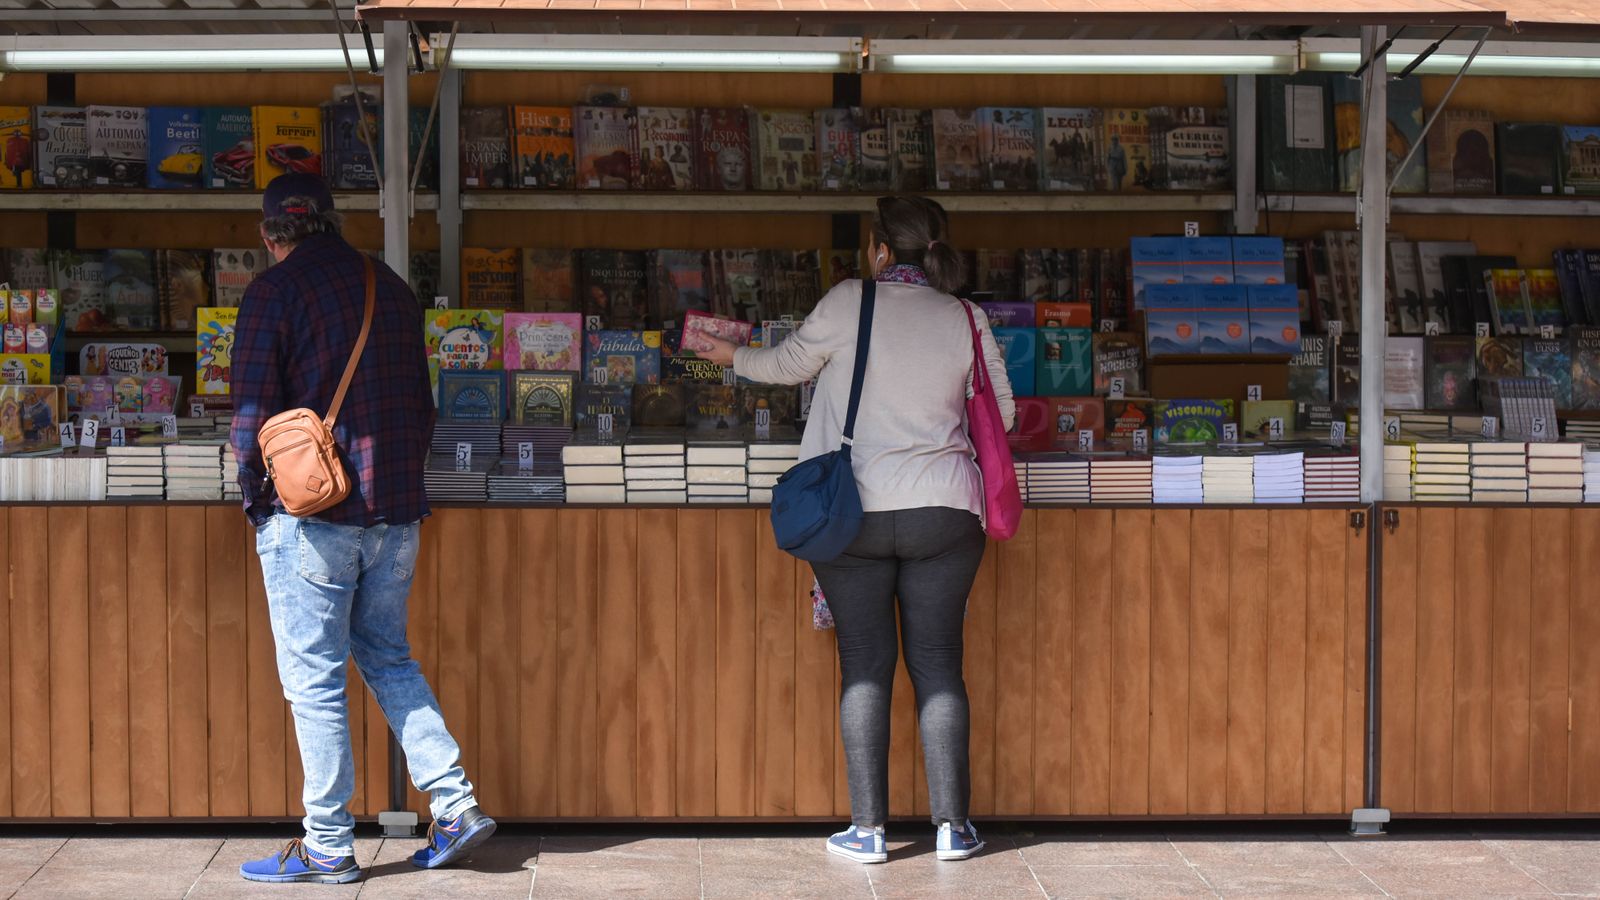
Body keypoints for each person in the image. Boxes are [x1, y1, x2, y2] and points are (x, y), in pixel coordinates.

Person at [700, 196, 1014, 865]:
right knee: (938, 668)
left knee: (865, 668)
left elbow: (784, 367)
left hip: (853, 516)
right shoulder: (966, 316)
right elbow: (1003, 415)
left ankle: (868, 831)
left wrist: (731, 353)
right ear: (935, 250)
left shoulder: (850, 301)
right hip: (944, 513)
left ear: (879, 250)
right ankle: (953, 829)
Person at [230, 174, 495, 885]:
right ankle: (456, 804)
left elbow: (247, 421)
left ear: (269, 234)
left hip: (313, 521)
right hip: (397, 514)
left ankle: (328, 844)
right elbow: (423, 405)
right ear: (333, 222)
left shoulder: (270, 294)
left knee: (315, 681)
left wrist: (257, 504)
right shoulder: (392, 289)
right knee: (388, 657)